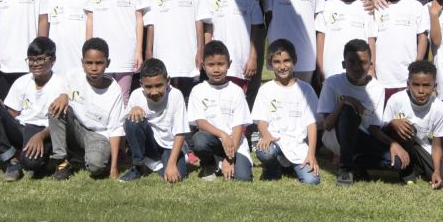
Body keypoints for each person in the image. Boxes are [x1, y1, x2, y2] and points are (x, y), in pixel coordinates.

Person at [0, 36, 66, 181]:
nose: (35, 64)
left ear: (52, 60)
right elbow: (12, 114)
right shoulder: (21, 82)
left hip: (44, 132)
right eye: (31, 60)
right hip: (22, 128)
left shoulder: (61, 84)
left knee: (31, 164)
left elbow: (60, 121)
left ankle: (45, 158)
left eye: (40, 59)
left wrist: (40, 136)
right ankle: (12, 161)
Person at [49, 37, 125, 180]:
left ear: (107, 63)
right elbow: (63, 92)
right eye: (89, 63)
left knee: (96, 167)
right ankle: (61, 162)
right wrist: (63, 95)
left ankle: (81, 157)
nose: (94, 68)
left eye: (99, 63)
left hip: (98, 135)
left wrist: (114, 168)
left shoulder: (114, 90)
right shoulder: (73, 75)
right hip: (77, 128)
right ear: (82, 63)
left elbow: (115, 129)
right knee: (56, 108)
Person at [317, 38, 389, 186]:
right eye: (352, 62)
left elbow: (374, 129)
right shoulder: (332, 83)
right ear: (344, 64)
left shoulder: (378, 88)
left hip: (362, 140)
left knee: (396, 162)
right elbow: (327, 125)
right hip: (336, 139)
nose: (357, 68)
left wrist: (393, 144)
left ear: (370, 65)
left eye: (362, 62)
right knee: (348, 111)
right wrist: (344, 102)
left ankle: (358, 164)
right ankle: (345, 170)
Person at [252, 39, 322, 185]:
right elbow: (261, 121)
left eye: (286, 61)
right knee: (265, 151)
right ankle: (273, 169)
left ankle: (289, 166)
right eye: (277, 62)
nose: (282, 66)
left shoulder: (306, 89)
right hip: (274, 142)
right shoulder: (266, 89)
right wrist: (266, 136)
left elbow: (311, 124)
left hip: (297, 145)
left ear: (294, 60)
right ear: (270, 64)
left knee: (312, 181)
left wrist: (311, 154)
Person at [141, 0, 204, 97]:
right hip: (163, 53)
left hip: (187, 55)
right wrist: (149, 53)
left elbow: (199, 20)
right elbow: (150, 24)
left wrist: (200, 49)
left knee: (186, 98)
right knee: (164, 98)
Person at [199, 0, 265, 91]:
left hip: (240, 64)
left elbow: (256, 31)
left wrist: (253, 58)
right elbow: (208, 30)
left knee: (237, 104)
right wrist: (207, 56)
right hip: (216, 64)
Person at [383, 60, 443, 189]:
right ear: (408, 84)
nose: (421, 90)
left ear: (435, 86)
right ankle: (407, 173)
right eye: (416, 85)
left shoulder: (440, 108)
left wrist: (437, 172)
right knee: (407, 128)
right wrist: (393, 123)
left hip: (422, 148)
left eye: (426, 85)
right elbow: (382, 129)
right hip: (397, 144)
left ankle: (418, 166)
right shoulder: (396, 100)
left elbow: (437, 146)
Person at [186, 41, 253, 181]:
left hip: (235, 142)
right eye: (211, 65)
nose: (216, 69)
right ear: (203, 66)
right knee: (199, 140)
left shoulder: (236, 91)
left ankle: (223, 161)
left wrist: (231, 157)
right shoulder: (198, 90)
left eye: (221, 64)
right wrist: (223, 135)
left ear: (229, 64)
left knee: (243, 178)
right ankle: (209, 163)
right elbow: (200, 122)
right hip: (213, 140)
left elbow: (238, 126)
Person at [87, 0, 146, 96]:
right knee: (101, 96)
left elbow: (139, 19)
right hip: (100, 54)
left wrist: (138, 51)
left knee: (122, 97)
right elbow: (90, 20)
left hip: (127, 52)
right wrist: (88, 50)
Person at [119, 58, 189, 183]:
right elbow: (126, 127)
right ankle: (138, 166)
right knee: (132, 121)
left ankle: (156, 164)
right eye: (148, 87)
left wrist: (172, 164)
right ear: (141, 84)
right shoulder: (136, 95)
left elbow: (180, 132)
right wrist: (133, 109)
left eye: (159, 85)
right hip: (150, 144)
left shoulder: (176, 95)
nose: (154, 92)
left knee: (176, 178)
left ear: (167, 81)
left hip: (169, 146)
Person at [372, 0, 428, 98]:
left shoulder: (416, 6)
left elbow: (422, 38)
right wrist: (372, 68)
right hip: (383, 76)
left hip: (407, 74)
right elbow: (372, 39)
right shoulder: (378, 7)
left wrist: (418, 63)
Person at [315, 0, 375, 85]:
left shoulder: (365, 7)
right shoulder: (326, 7)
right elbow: (320, 39)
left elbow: (371, 40)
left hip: (359, 70)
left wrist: (371, 68)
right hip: (331, 68)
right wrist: (320, 68)